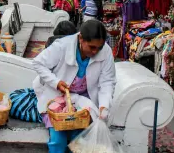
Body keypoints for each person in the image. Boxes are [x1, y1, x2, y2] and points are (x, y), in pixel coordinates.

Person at [33, 20, 116, 153]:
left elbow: (107, 82)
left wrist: (104, 105)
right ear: (81, 38)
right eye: (92, 47)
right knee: (58, 138)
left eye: (99, 48)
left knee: (80, 139)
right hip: (57, 99)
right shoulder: (62, 46)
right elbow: (38, 63)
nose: (96, 52)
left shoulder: (105, 52)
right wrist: (56, 82)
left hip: (84, 100)